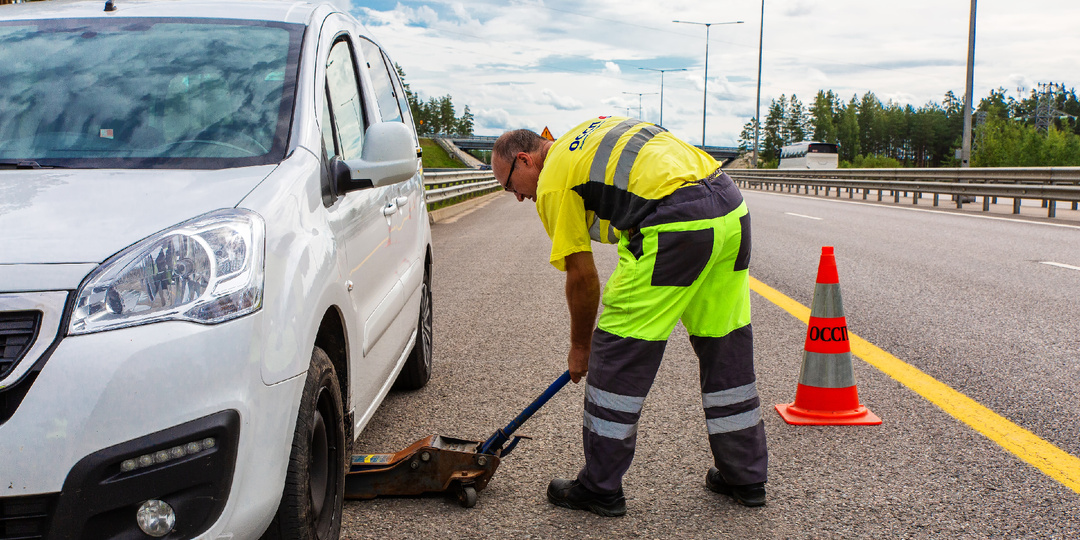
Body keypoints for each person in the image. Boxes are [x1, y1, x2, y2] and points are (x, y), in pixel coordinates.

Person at [491, 116, 769, 517]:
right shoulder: (579, 138)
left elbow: (582, 278)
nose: (517, 197)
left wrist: (581, 348)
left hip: (674, 220)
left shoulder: (552, 181)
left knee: (618, 353)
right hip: (728, 207)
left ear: (525, 161)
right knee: (724, 346)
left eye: (508, 186)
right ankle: (745, 476)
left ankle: (599, 487)